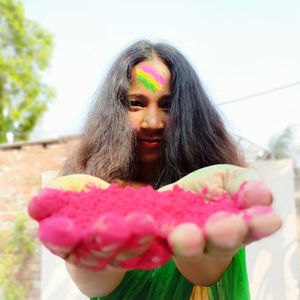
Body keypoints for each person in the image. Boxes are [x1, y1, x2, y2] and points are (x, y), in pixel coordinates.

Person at [47, 40, 282, 299]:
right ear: (114, 112)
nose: (153, 122)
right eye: (136, 103)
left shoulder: (213, 192)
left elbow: (207, 274)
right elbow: (93, 284)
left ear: (191, 115)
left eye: (168, 106)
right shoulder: (92, 194)